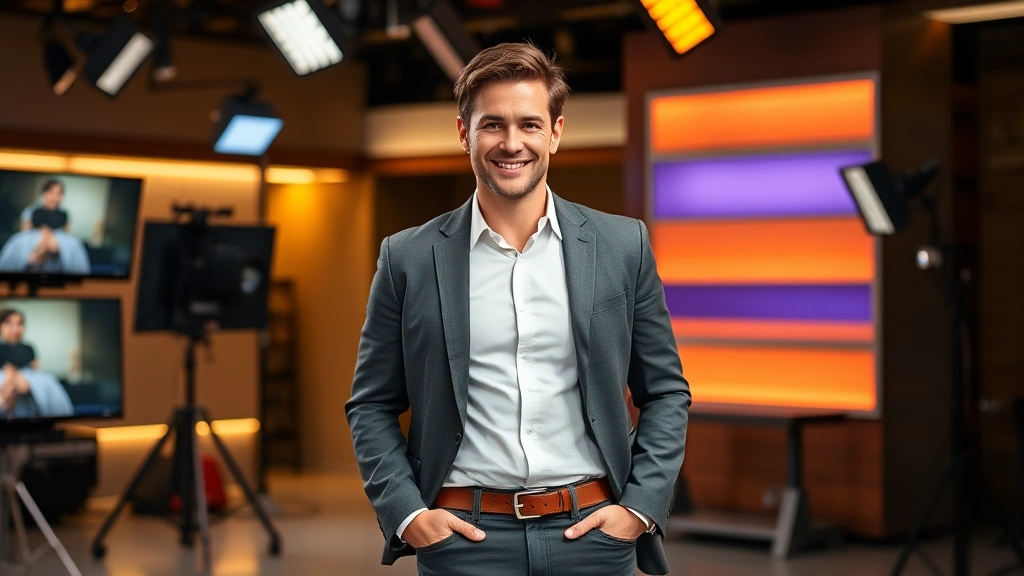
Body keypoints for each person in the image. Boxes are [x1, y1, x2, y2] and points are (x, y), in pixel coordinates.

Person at [346, 42, 690, 576]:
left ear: (555, 131)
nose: (512, 144)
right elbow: (370, 404)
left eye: (530, 124)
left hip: (594, 537)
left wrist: (639, 508)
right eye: (492, 125)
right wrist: (408, 513)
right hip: (464, 542)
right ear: (464, 133)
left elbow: (666, 390)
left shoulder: (624, 245)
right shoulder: (407, 258)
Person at [0, 179, 89, 274]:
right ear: (44, 194)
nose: (55, 197)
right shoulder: (31, 214)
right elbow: (25, 231)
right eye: (51, 192)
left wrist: (59, 247)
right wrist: (39, 246)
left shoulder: (65, 218)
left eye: (59, 193)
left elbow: (67, 233)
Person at [0, 308, 74, 418]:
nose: (15, 329)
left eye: (19, 324)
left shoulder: (29, 349)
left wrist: (29, 384)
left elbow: (35, 369)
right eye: (9, 324)